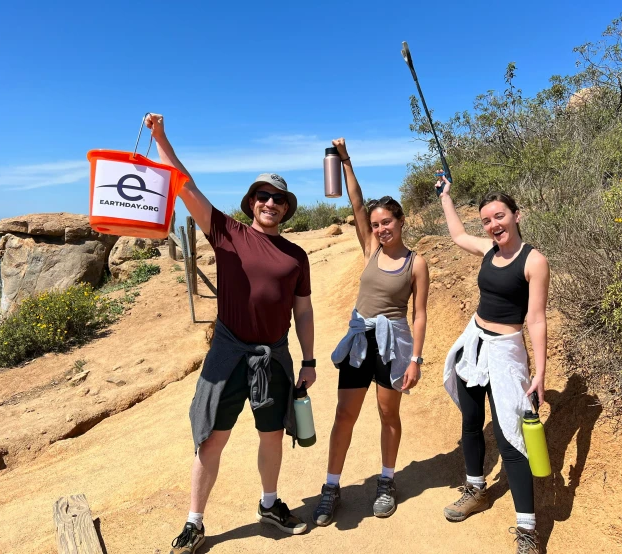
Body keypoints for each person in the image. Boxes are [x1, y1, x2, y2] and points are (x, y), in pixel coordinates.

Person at [144, 114, 317, 554]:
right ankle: (195, 521)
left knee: (272, 435)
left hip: (274, 356)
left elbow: (303, 308)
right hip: (228, 352)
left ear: (286, 208)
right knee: (211, 439)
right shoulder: (228, 232)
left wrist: (310, 360)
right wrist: (161, 138)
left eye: (278, 199)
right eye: (263, 196)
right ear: (251, 201)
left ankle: (269, 503)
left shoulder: (296, 255)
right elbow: (184, 186)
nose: (270, 203)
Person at [311, 138, 430, 526]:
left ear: (401, 221)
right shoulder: (369, 248)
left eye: (387, 222)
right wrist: (346, 160)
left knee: (386, 412)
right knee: (345, 414)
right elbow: (356, 201)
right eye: (376, 224)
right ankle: (331, 487)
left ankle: (386, 481)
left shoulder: (416, 263)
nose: (380, 228)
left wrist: (415, 359)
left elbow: (420, 314)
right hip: (361, 338)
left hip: (392, 343)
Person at [436, 173, 549, 554]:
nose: (493, 225)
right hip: (475, 341)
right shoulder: (489, 250)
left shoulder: (534, 261)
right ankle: (476, 490)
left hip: (506, 352)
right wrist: (446, 197)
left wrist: (540, 372)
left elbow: (535, 319)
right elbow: (456, 236)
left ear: (517, 216)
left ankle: (527, 530)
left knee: (510, 439)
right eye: (487, 220)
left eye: (499, 216)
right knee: (470, 422)